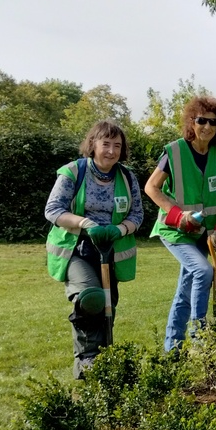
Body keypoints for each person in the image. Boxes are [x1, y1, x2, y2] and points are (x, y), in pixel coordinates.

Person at [45, 120, 144, 378]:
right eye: (106, 144)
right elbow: (53, 210)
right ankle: (88, 359)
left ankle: (104, 363)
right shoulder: (72, 172)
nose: (111, 151)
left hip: (110, 249)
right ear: (92, 145)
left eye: (117, 146)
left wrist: (119, 230)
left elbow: (137, 214)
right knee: (91, 298)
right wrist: (86, 224)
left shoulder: (126, 176)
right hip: (77, 248)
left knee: (109, 307)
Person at [144, 95, 216, 350]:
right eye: (201, 121)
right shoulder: (174, 151)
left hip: (203, 233)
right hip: (175, 230)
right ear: (191, 122)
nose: (207, 127)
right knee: (203, 272)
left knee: (186, 288)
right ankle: (199, 335)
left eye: (213, 123)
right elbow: (151, 187)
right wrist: (177, 215)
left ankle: (172, 348)